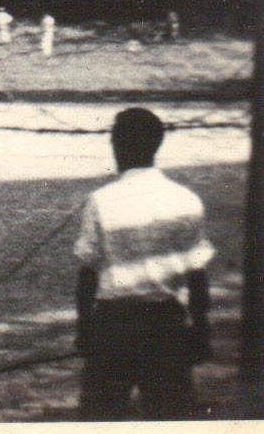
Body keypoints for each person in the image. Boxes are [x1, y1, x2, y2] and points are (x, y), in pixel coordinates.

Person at [73, 108, 214, 421]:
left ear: (117, 145)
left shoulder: (101, 199)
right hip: (165, 326)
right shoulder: (184, 199)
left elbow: (87, 271)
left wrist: (84, 328)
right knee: (170, 416)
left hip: (114, 326)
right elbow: (197, 273)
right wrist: (201, 330)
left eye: (115, 140)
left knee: (100, 418)